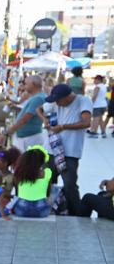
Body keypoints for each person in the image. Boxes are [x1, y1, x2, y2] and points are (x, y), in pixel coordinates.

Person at [43, 83, 92, 216]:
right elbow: (39, 109)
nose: (56, 103)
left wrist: (63, 126)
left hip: (70, 151)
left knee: (70, 184)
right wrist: (45, 120)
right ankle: (49, 208)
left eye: (58, 100)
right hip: (52, 149)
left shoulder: (83, 101)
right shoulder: (55, 103)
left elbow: (86, 122)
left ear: (67, 97)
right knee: (48, 180)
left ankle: (76, 213)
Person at [5, 75, 48, 150]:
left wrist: (8, 132)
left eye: (26, 84)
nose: (25, 86)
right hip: (28, 136)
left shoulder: (38, 98)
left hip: (29, 137)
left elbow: (25, 119)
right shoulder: (38, 97)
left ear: (33, 84)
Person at [10, 146, 52, 218]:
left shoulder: (18, 173)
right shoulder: (47, 172)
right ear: (42, 162)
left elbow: (17, 194)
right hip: (42, 211)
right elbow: (47, 194)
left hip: (21, 211)